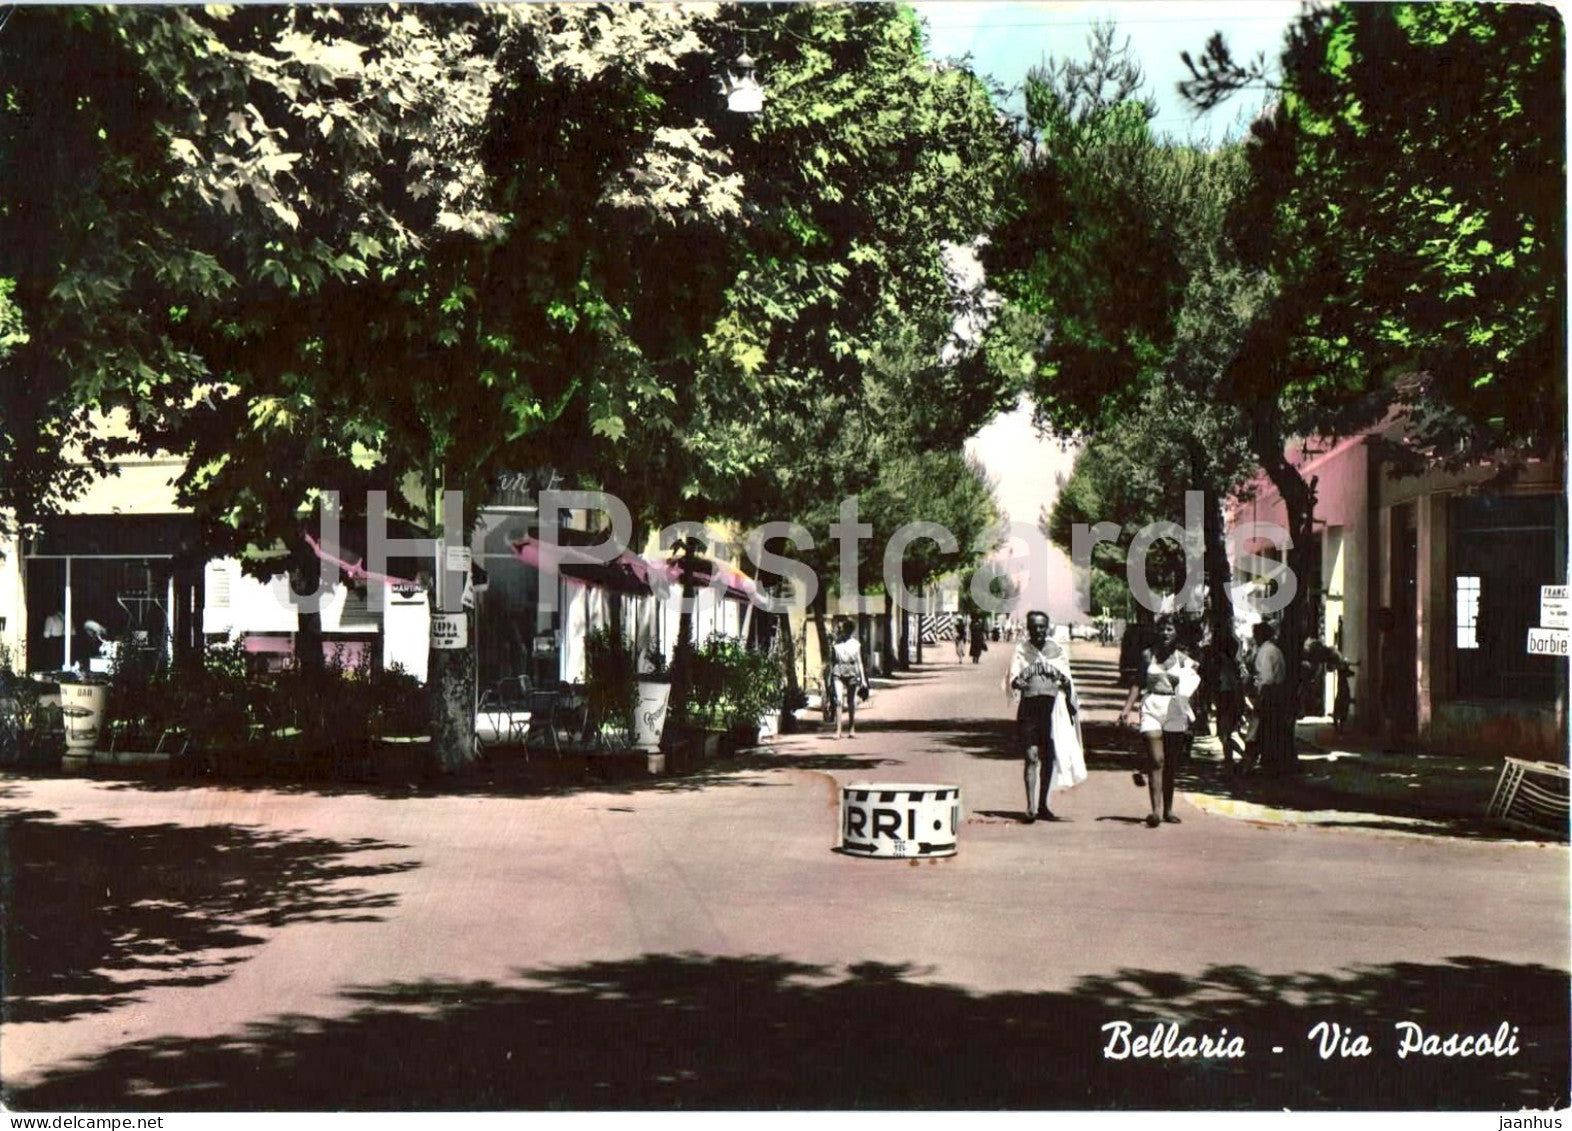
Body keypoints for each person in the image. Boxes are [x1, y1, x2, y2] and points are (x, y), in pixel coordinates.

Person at [1117, 614, 1199, 828]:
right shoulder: (1147, 655)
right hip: (1152, 706)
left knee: (1171, 763)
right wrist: (1126, 710)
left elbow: (1193, 688)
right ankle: (1154, 811)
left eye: (1170, 629)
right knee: (1157, 760)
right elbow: (1137, 683)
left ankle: (1168, 809)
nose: (1165, 633)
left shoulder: (1185, 659)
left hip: (1175, 709)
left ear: (1177, 633)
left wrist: (1193, 714)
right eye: (1162, 628)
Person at [1005, 611, 1085, 823]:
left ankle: (1043, 804)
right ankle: (1030, 806)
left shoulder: (1057, 650)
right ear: (1028, 628)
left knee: (1048, 757)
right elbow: (1012, 680)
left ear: (1048, 627)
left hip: (1052, 709)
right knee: (1031, 756)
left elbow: (1068, 682)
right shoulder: (1022, 650)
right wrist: (1022, 678)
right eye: (1034, 627)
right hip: (1029, 708)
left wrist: (1055, 674)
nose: (1038, 630)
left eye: (1042, 626)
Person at [1246, 620, 1290, 772]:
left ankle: (1259, 763)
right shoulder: (1273, 650)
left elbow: (1267, 678)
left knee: (1260, 730)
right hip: (1276, 694)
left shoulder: (1265, 652)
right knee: (1272, 730)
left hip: (1269, 695)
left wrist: (1260, 700)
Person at [828, 617, 868, 739]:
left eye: (849, 628)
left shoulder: (856, 645)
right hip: (838, 671)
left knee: (851, 702)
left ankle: (851, 728)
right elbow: (832, 661)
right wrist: (828, 677)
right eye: (845, 628)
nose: (847, 630)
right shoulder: (836, 643)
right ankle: (838, 730)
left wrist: (863, 680)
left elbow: (859, 662)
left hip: (851, 672)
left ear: (852, 630)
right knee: (839, 701)